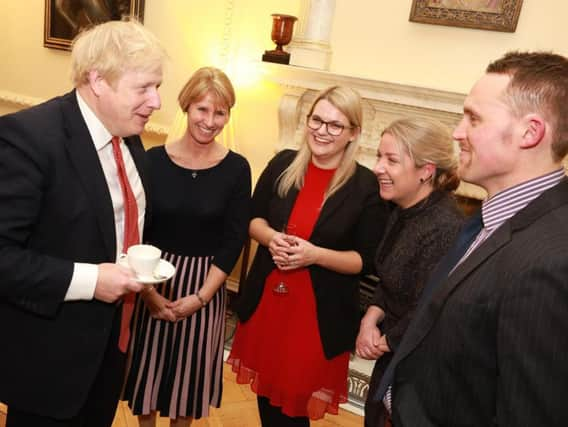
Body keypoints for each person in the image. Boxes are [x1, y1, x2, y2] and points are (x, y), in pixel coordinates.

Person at [376, 51, 568, 426]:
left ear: (530, 132)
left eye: (474, 118)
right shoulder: (488, 217)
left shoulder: (553, 261)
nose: (456, 132)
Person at [0, 20, 166, 427]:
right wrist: (93, 281)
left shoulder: (129, 135)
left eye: (157, 86)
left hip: (111, 351)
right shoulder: (27, 139)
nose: (157, 101)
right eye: (144, 87)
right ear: (97, 80)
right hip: (49, 368)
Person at [228, 85, 389, 426]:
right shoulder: (284, 163)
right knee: (266, 399)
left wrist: (314, 255)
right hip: (267, 305)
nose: (322, 130)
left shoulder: (365, 186)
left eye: (335, 125)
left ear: (353, 134)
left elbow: (366, 261)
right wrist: (272, 239)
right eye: (317, 119)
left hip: (317, 317)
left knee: (294, 410)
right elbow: (252, 219)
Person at [123, 67, 252, 426]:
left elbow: (234, 239)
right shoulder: (151, 160)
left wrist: (200, 298)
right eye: (202, 109)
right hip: (154, 281)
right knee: (147, 374)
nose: (210, 121)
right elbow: (137, 233)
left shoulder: (238, 169)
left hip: (206, 286)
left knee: (188, 386)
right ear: (186, 107)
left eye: (220, 112)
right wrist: (148, 294)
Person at [355, 117, 464, 427]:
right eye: (379, 156)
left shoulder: (445, 227)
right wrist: (370, 318)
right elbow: (391, 276)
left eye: (391, 160)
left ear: (426, 171)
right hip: (394, 353)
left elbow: (432, 308)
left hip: (418, 369)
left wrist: (385, 341)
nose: (377, 167)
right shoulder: (401, 208)